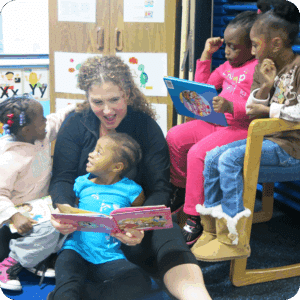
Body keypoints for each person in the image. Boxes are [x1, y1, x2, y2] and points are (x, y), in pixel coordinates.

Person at [49, 55, 212, 300]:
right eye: (97, 101)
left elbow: (160, 188)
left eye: (114, 99)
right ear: (87, 97)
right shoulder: (75, 125)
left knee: (168, 231)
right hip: (83, 234)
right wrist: (66, 212)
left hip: (131, 230)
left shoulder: (145, 126)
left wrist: (139, 224)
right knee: (70, 269)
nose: (107, 110)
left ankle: (197, 296)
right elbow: (61, 179)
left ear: (126, 93)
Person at [191, 0, 300, 262]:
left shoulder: (297, 69)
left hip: (291, 149)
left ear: (275, 43)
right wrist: (266, 87)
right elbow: (252, 107)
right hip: (270, 141)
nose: (251, 50)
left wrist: (268, 109)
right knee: (214, 156)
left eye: (254, 44)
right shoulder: (268, 68)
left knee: (228, 159)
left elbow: (293, 114)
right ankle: (212, 229)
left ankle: (234, 238)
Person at [166, 11, 258, 245]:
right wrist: (207, 55)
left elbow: (261, 105)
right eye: (225, 45)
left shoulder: (260, 68)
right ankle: (180, 189)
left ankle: (194, 216)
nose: (227, 51)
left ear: (253, 47)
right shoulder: (226, 66)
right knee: (175, 136)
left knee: (198, 153)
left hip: (240, 128)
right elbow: (203, 88)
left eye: (233, 47)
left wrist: (232, 106)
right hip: (215, 122)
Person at [47, 132, 150, 299]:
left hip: (109, 256)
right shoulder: (82, 183)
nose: (90, 154)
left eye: (99, 152)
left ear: (117, 167)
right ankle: (68, 293)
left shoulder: (133, 191)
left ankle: (81, 294)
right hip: (75, 251)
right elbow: (73, 210)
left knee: (140, 282)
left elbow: (135, 220)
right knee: (68, 282)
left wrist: (133, 231)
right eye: (94, 149)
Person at [0, 94, 75, 290]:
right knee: (52, 228)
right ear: (26, 130)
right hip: (16, 216)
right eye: (41, 119)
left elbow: (56, 119)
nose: (46, 121)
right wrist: (14, 216)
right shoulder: (8, 158)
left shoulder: (40, 133)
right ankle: (10, 264)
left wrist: (76, 106)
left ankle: (32, 260)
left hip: (40, 207)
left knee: (68, 221)